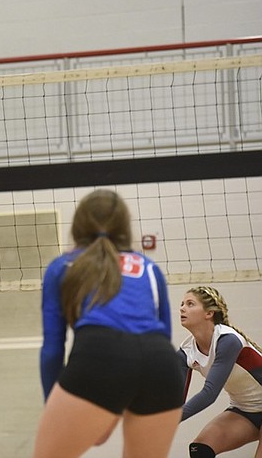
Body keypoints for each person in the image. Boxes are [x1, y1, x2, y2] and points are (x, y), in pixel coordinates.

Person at [34, 189, 183, 458]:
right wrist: (123, 394)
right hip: (162, 366)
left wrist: (53, 406)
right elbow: (165, 335)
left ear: (78, 226)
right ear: (125, 227)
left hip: (100, 356)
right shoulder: (149, 268)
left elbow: (52, 349)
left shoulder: (63, 266)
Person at [178, 285, 262, 457]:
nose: (182, 308)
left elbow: (210, 393)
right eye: (182, 303)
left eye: (190, 304)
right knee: (200, 449)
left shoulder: (227, 340)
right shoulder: (186, 351)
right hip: (245, 411)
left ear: (209, 313)